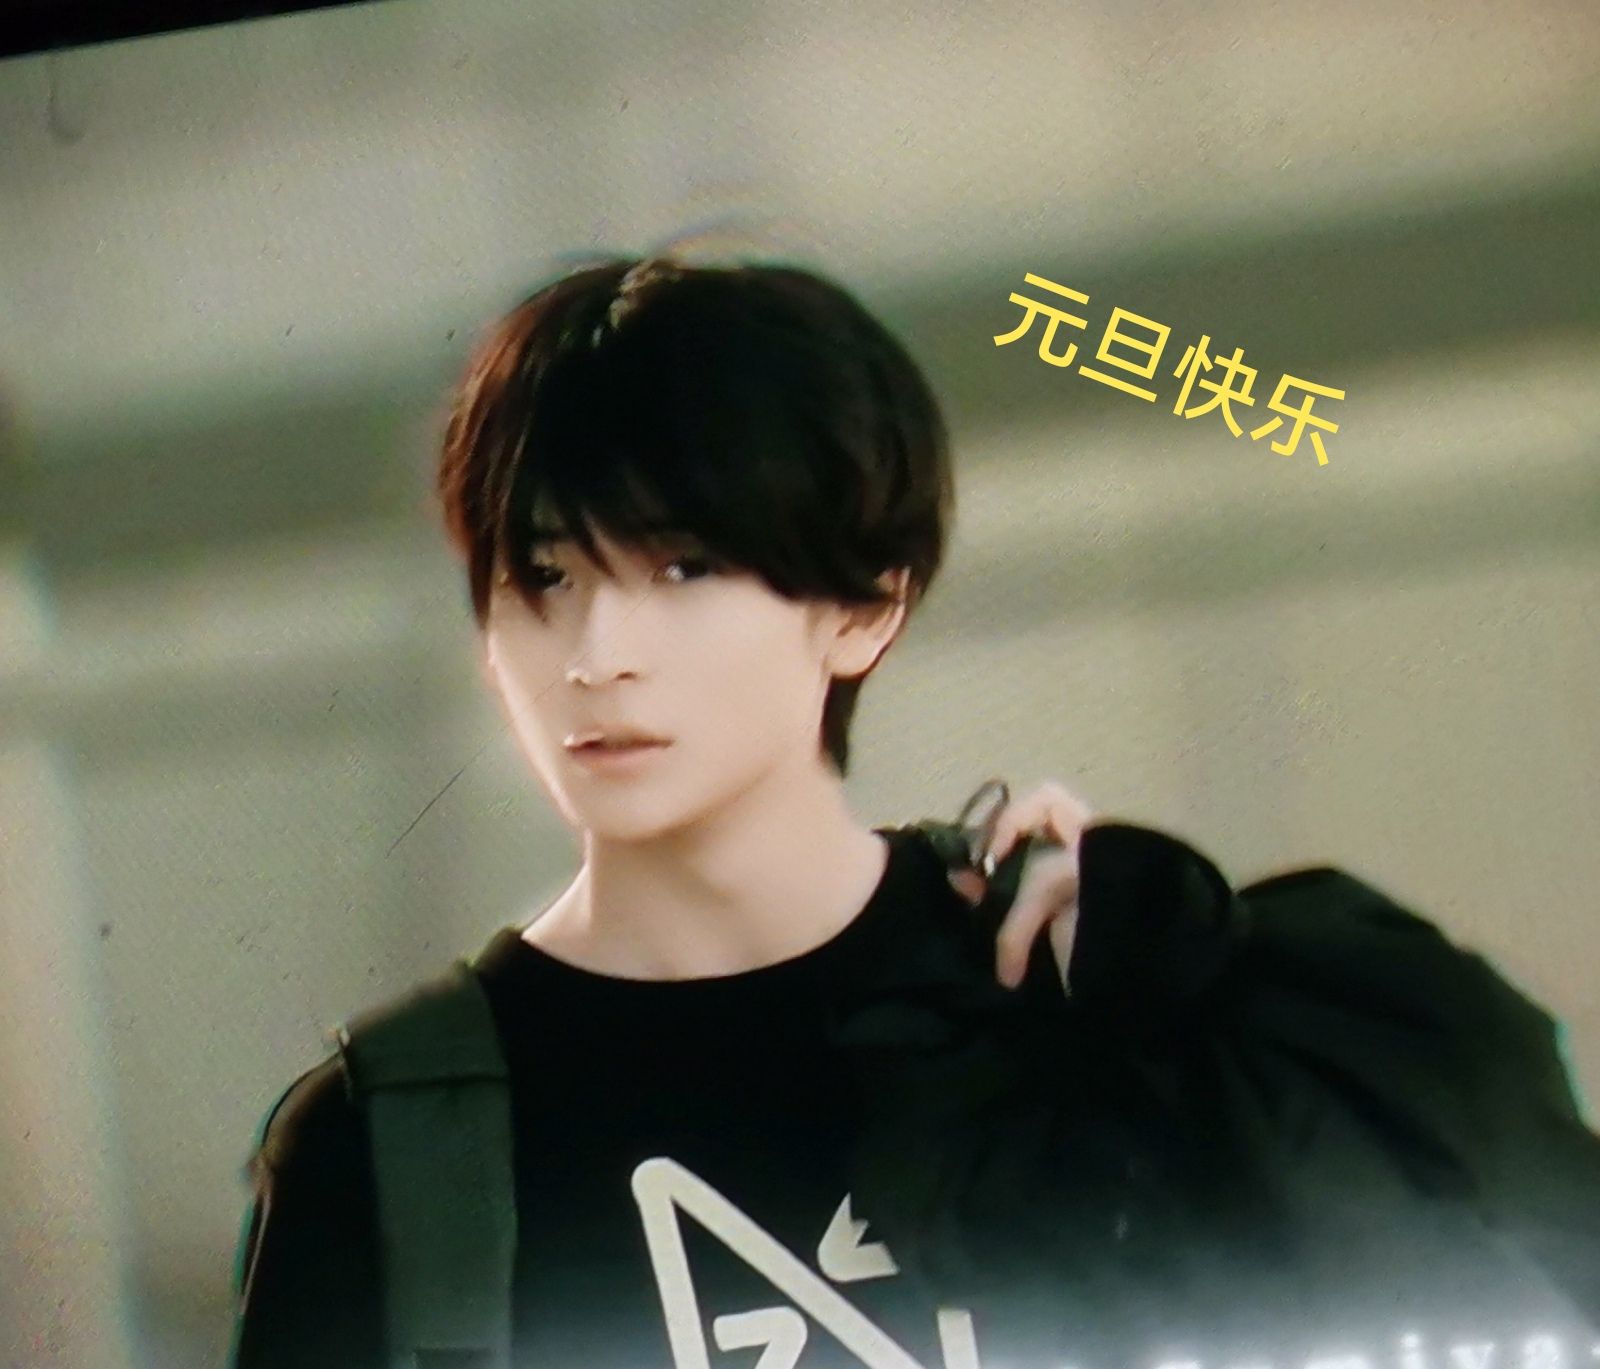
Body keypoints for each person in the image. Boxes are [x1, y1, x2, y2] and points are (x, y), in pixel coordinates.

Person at [228, 257, 1600, 1369]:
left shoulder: (1068, 984)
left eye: (685, 567)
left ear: (866, 605)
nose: (598, 652)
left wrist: (1186, 979)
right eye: (543, 578)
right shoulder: (391, 1152)